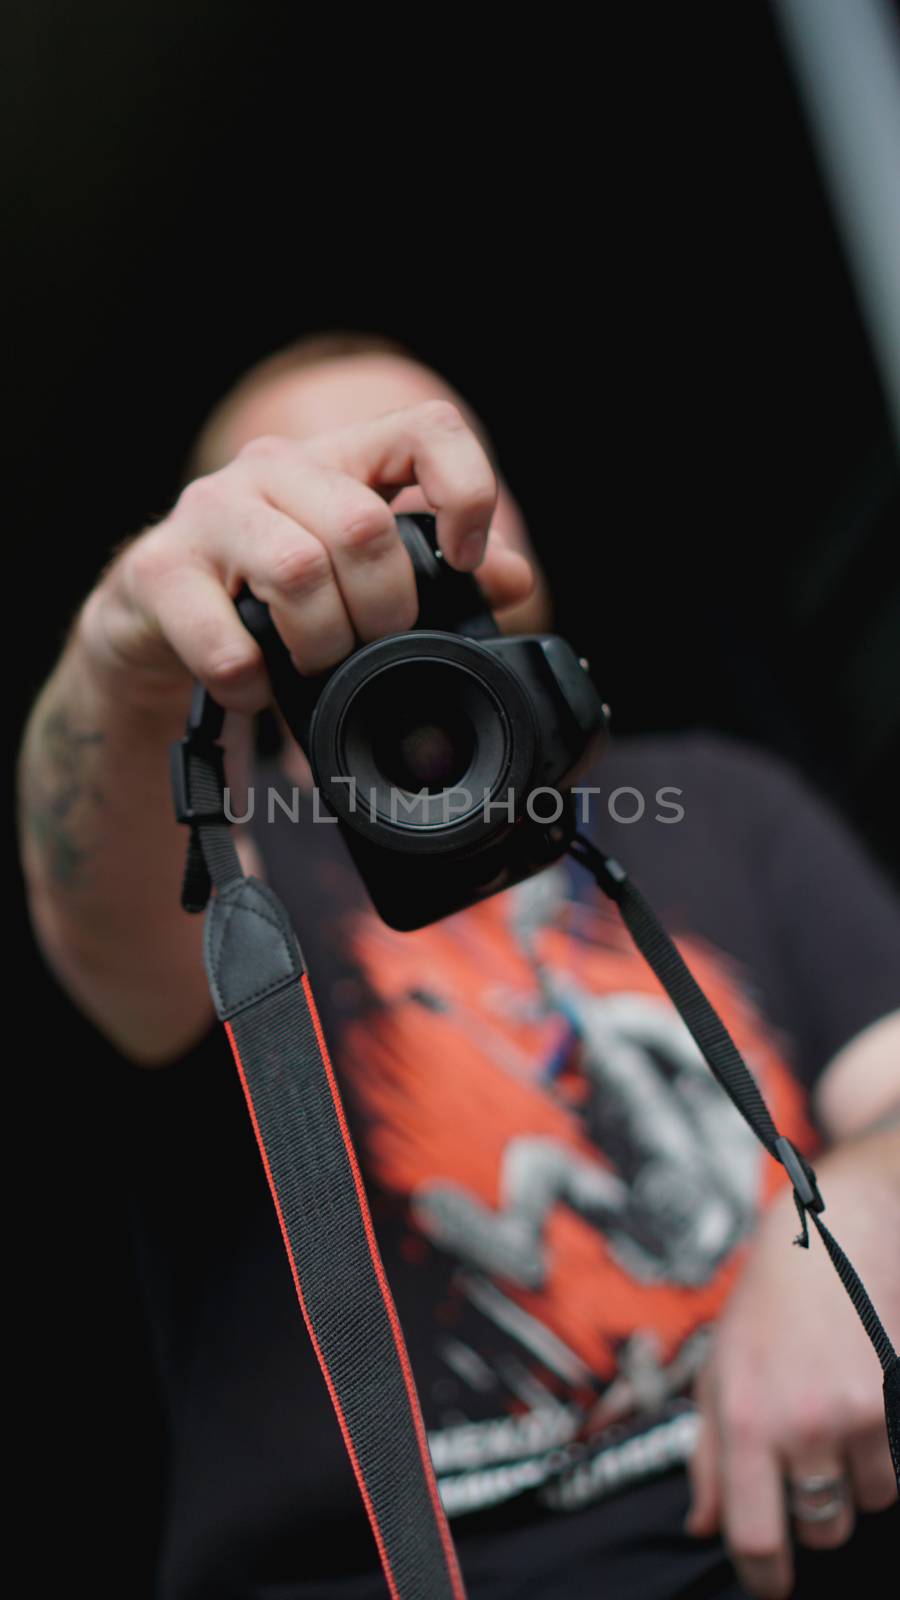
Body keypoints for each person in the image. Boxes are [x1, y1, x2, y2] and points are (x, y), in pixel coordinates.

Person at [17, 330, 900, 1600]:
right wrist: (124, 646)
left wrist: (857, 1215)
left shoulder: (721, 800)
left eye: (413, 495)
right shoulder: (224, 867)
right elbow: (92, 904)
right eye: (297, 511)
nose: (367, 547)